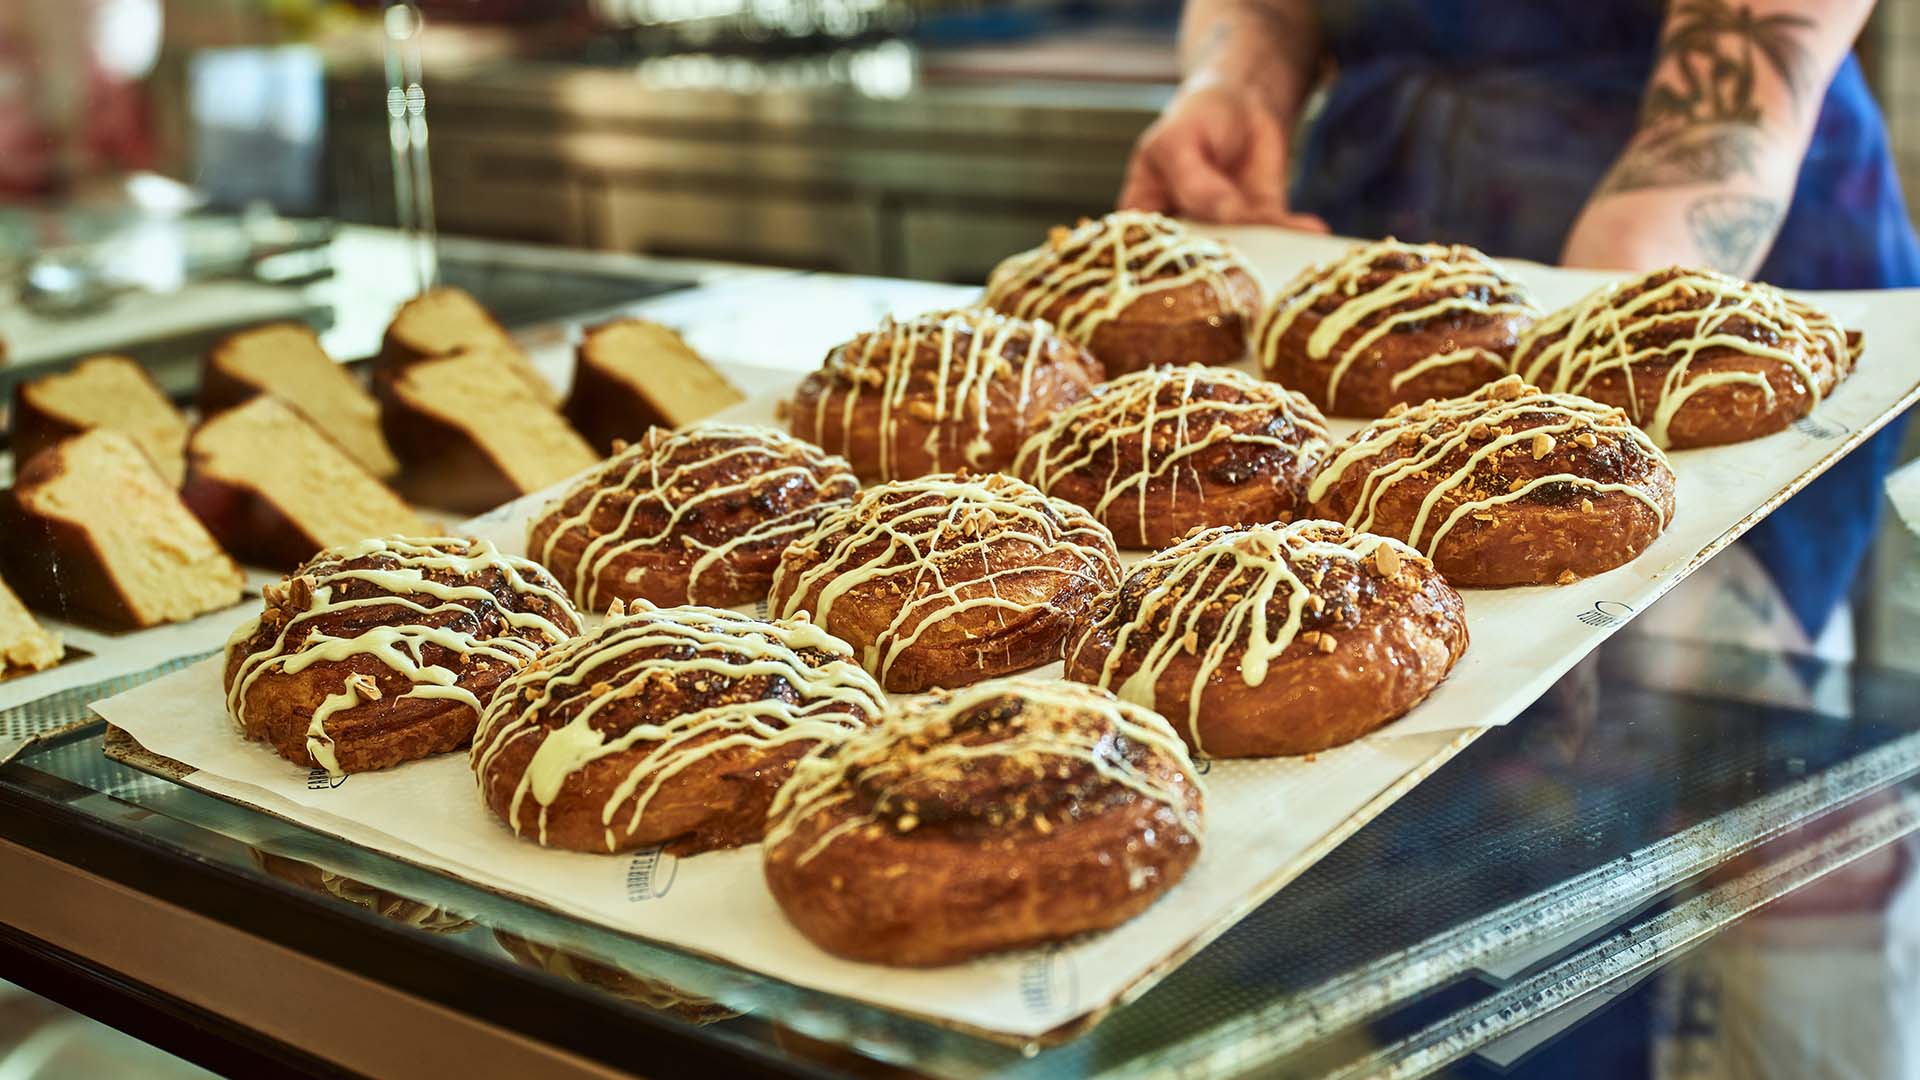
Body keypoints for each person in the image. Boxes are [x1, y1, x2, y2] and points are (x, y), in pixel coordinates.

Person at [1120, 0, 1918, 645]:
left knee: (1690, 729)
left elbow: (1727, 103)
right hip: (1373, 229)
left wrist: (1609, 336)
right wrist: (1236, 81)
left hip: (1703, 251)